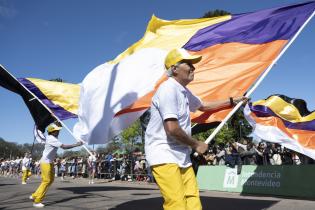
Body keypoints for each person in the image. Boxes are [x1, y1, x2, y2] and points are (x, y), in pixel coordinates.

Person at [145, 48, 247, 210]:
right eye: (189, 64)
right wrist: (196, 144)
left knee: (193, 201)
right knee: (177, 203)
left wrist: (232, 101)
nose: (194, 68)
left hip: (181, 156)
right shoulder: (168, 89)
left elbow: (203, 106)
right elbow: (171, 128)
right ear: (174, 69)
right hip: (163, 154)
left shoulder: (183, 92)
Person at [30, 122, 83, 208]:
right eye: (57, 131)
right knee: (47, 181)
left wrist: (59, 123)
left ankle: (35, 195)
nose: (58, 132)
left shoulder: (52, 137)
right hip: (45, 162)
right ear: (52, 132)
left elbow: (58, 129)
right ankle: (37, 201)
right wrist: (76, 144)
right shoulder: (51, 139)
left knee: (50, 180)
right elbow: (64, 147)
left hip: (49, 162)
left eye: (58, 131)